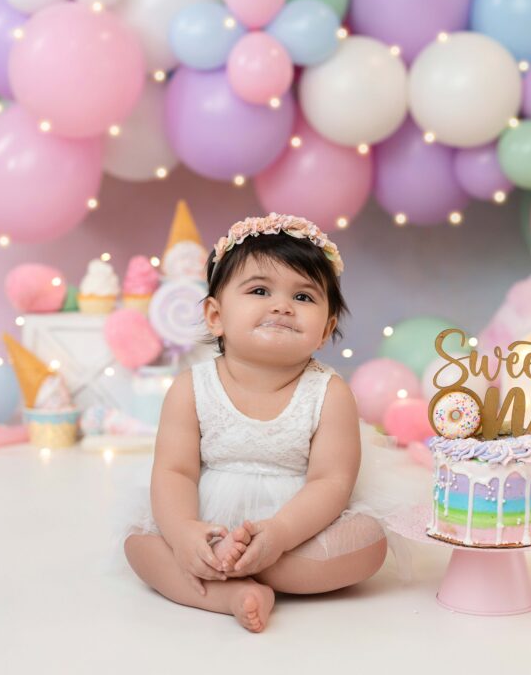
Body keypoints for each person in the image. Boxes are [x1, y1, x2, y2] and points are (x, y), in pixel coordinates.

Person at [124, 214, 399, 633]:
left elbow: (330, 482)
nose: (282, 305)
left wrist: (280, 535)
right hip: (206, 522)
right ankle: (232, 591)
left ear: (325, 330)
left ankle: (241, 569)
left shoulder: (330, 394)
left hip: (296, 529)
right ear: (215, 316)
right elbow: (174, 471)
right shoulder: (191, 388)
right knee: (140, 547)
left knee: (370, 546)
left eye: (304, 297)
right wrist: (182, 534)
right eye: (259, 290)